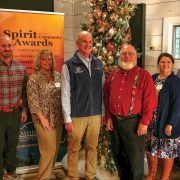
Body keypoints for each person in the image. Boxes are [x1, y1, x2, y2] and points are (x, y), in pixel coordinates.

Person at [103, 44, 157, 180]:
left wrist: (144, 122)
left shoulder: (143, 75)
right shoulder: (113, 75)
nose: (127, 56)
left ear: (135, 57)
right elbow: (106, 96)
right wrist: (108, 117)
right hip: (115, 122)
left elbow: (150, 101)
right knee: (118, 154)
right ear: (119, 56)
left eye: (130, 54)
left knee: (136, 158)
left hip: (134, 123)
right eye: (124, 54)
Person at [61, 31, 105, 180]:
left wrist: (103, 112)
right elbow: (65, 93)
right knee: (74, 148)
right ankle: (72, 177)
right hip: (77, 115)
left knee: (92, 148)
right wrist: (67, 118)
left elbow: (102, 89)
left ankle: (90, 176)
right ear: (77, 43)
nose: (88, 45)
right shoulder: (69, 65)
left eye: (90, 42)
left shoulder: (98, 63)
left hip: (95, 114)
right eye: (84, 41)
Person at [27, 49, 63, 180]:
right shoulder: (33, 78)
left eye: (49, 59)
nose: (47, 61)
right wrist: (43, 119)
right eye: (44, 59)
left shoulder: (58, 76)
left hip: (58, 119)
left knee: (55, 149)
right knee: (49, 149)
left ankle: (49, 174)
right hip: (42, 119)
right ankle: (42, 177)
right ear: (39, 61)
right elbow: (33, 101)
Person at [145, 53, 180, 180]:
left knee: (167, 150)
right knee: (151, 148)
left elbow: (178, 104)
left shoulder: (175, 81)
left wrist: (171, 123)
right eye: (162, 62)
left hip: (167, 121)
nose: (165, 64)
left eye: (168, 62)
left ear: (172, 65)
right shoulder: (153, 78)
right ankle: (151, 174)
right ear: (158, 64)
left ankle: (164, 177)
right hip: (152, 120)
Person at [0, 36, 28, 180]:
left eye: (9, 45)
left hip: (15, 114)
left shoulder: (21, 68)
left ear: (13, 47)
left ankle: (11, 172)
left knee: (12, 145)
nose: (7, 48)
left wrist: (23, 110)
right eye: (3, 46)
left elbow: (24, 92)